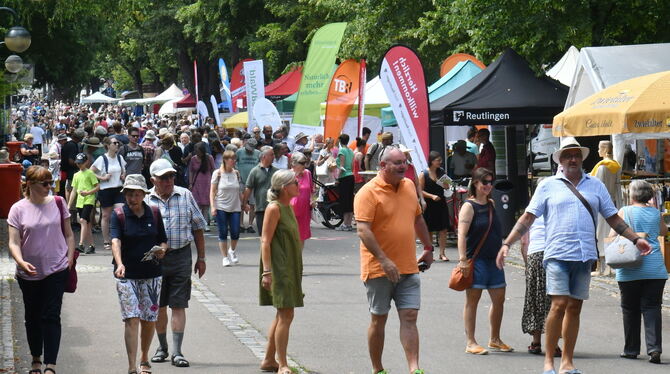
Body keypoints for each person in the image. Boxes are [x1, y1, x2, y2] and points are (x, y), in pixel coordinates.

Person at [496, 137, 652, 374]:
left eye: (576, 155)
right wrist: (507, 243)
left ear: (581, 158)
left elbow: (612, 217)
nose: (573, 159)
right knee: (558, 305)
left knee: (575, 308)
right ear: (560, 160)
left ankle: (567, 362)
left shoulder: (595, 185)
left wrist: (635, 239)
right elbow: (528, 218)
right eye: (568, 155)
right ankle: (549, 361)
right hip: (557, 253)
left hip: (584, 254)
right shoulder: (547, 185)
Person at [354, 148, 434, 374]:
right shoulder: (367, 193)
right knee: (379, 319)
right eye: (398, 162)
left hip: (408, 266)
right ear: (382, 166)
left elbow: (418, 218)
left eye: (405, 162)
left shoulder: (409, 185)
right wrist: (384, 260)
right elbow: (363, 230)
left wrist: (428, 247)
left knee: (410, 316)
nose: (403, 166)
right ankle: (378, 369)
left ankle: (414, 368)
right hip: (379, 269)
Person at [7, 165, 76, 374]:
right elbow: (13, 242)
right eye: (45, 183)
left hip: (57, 268)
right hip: (29, 273)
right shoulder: (18, 208)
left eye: (50, 182)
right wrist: (20, 262)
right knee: (33, 316)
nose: (50, 186)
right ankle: (36, 359)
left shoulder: (58, 202)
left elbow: (69, 234)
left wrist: (69, 258)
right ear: (30, 184)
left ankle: (50, 365)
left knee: (51, 315)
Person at [146, 159, 207, 367]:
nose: (169, 180)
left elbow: (198, 227)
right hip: (156, 260)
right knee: (159, 306)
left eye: (171, 176)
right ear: (153, 180)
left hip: (181, 256)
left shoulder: (185, 195)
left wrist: (202, 258)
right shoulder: (146, 200)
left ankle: (177, 352)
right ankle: (162, 348)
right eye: (164, 178)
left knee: (179, 304)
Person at [111, 174, 168, 374]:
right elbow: (115, 241)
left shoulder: (153, 212)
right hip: (126, 275)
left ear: (144, 194)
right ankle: (132, 366)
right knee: (132, 318)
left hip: (152, 274)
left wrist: (162, 250)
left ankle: (145, 358)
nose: (132, 198)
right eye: (129, 194)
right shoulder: (118, 214)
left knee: (149, 318)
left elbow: (163, 239)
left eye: (136, 194)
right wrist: (119, 263)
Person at [610, 180, 667, 364]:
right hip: (655, 269)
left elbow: (612, 237)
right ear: (649, 194)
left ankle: (631, 349)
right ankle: (654, 349)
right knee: (652, 308)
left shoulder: (624, 212)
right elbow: (664, 231)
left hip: (629, 268)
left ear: (632, 195)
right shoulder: (655, 213)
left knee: (630, 309)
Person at [455, 167, 511, 355]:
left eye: (490, 181)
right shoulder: (469, 206)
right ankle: (470, 342)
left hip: (494, 260)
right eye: (484, 182)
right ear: (476, 183)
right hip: (476, 260)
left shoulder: (491, 204)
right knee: (473, 300)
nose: (489, 185)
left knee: (499, 299)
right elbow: (461, 235)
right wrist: (463, 260)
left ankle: (494, 339)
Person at [259, 170, 303, 374]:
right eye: (295, 182)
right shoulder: (274, 208)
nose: (299, 185)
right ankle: (282, 364)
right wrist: (266, 272)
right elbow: (265, 241)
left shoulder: (288, 206)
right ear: (285, 187)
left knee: (282, 314)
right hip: (279, 268)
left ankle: (269, 360)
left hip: (289, 266)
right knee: (286, 313)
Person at [591, 140, 623, 275]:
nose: (598, 151)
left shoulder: (602, 167)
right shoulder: (616, 166)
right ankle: (610, 266)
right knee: (610, 232)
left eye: (599, 148)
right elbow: (618, 187)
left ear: (604, 150)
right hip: (612, 202)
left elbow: (596, 188)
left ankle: (603, 267)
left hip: (601, 204)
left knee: (600, 233)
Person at [91, 136, 127, 251]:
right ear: (108, 145)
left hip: (118, 189)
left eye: (118, 143)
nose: (117, 145)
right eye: (114, 143)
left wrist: (123, 175)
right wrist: (102, 177)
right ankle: (106, 240)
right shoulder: (102, 159)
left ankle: (118, 237)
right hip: (106, 189)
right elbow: (90, 171)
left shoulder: (120, 158)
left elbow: (124, 170)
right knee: (106, 215)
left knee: (120, 212)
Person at [210, 150, 243, 267]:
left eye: (235, 159)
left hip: (235, 206)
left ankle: (232, 251)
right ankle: (224, 257)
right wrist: (213, 206)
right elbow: (212, 191)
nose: (234, 161)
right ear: (225, 160)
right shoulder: (217, 173)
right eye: (231, 159)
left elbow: (239, 190)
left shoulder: (237, 173)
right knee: (223, 232)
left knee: (235, 232)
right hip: (221, 206)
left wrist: (244, 203)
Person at [419, 151, 450, 261]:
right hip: (429, 204)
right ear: (431, 161)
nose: (440, 162)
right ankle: (430, 253)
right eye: (438, 160)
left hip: (441, 203)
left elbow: (448, 186)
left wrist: (443, 182)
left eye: (440, 160)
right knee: (429, 230)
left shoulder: (442, 172)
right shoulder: (424, 174)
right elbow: (420, 190)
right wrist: (431, 196)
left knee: (443, 229)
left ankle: (442, 253)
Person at [242, 146, 278, 236]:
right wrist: (244, 204)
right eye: (271, 155)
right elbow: (248, 188)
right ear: (263, 157)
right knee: (263, 235)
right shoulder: (255, 171)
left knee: (274, 235)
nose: (274, 156)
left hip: (275, 208)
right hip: (260, 208)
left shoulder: (276, 171)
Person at [68, 153, 99, 254]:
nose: (79, 165)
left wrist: (88, 193)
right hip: (80, 201)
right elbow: (73, 190)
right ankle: (91, 245)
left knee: (82, 220)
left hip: (89, 200)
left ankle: (81, 244)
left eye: (81, 163)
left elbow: (97, 186)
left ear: (86, 162)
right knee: (86, 223)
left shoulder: (90, 173)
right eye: (78, 163)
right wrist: (69, 205)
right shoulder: (76, 175)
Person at [188, 142, 215, 231]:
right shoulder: (193, 159)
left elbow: (212, 170)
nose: (198, 153)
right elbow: (191, 171)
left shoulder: (209, 158)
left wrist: (214, 183)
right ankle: (198, 223)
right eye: (196, 151)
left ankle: (205, 223)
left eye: (199, 151)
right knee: (197, 204)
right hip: (196, 184)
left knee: (206, 205)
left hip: (207, 183)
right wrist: (191, 183)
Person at [236, 138, 261, 233]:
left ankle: (250, 224)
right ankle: (241, 224)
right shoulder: (239, 152)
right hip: (242, 180)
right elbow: (234, 162)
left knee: (252, 204)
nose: (249, 150)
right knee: (241, 203)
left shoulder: (258, 153)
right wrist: (237, 172)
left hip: (254, 181)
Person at [289, 152, 314, 246]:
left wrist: (312, 200)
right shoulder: (289, 175)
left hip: (304, 209)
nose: (304, 165)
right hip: (291, 209)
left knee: (302, 236)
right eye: (302, 163)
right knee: (291, 235)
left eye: (305, 163)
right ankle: (291, 258)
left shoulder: (308, 173)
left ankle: (298, 259)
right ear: (294, 163)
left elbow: (311, 190)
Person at [336, 134, 355, 231]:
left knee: (344, 200)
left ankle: (345, 223)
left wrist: (337, 178)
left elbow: (342, 166)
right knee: (349, 199)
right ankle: (348, 223)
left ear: (340, 141)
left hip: (344, 176)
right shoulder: (351, 151)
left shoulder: (342, 151)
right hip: (351, 176)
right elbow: (352, 166)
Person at [59, 129, 84, 202]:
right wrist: (80, 167)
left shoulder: (69, 144)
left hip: (66, 171)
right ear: (79, 138)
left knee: (69, 188)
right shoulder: (72, 145)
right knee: (71, 189)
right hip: (70, 171)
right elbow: (71, 161)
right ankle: (71, 207)